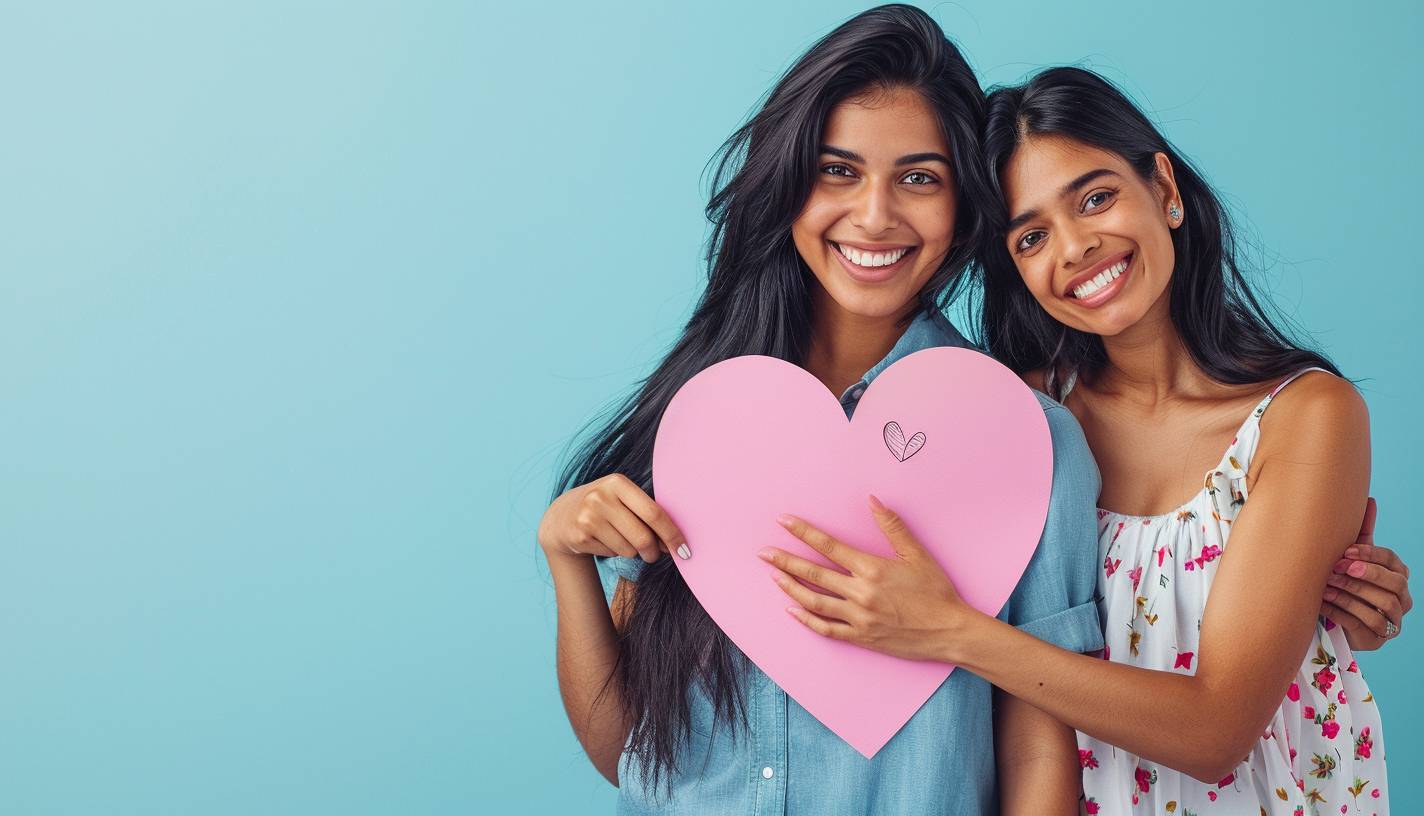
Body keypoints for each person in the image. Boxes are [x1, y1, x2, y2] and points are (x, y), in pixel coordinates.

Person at [763, 67, 1407, 812]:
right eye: (1032, 235)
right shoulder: (1021, 416)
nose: (1073, 248)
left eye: (1095, 198)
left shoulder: (1302, 414)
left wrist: (952, 630)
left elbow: (1217, 730)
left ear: (1164, 190)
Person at [538, 6, 1102, 813]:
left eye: (918, 178)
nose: (874, 216)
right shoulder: (701, 420)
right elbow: (628, 755)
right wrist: (567, 563)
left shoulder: (1026, 441)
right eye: (838, 170)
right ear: (789, 182)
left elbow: (1039, 752)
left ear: (963, 207)